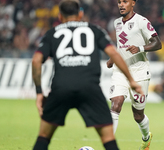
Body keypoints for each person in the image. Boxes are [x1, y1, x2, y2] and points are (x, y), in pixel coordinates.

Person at [31, 0, 144, 150]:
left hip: (61, 87)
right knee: (108, 138)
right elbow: (114, 53)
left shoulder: (52, 33)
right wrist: (131, 80)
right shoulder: (94, 30)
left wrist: (39, 92)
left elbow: (36, 60)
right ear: (80, 14)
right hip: (89, 88)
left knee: (43, 137)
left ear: (59, 16)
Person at [107, 0, 162, 150]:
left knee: (138, 115)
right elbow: (121, 45)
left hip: (139, 72)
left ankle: (146, 138)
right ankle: (108, 145)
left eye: (125, 1)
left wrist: (140, 48)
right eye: (119, 2)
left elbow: (158, 43)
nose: (121, 5)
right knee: (115, 104)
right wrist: (114, 58)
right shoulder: (117, 23)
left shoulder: (142, 21)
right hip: (121, 71)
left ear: (133, 3)